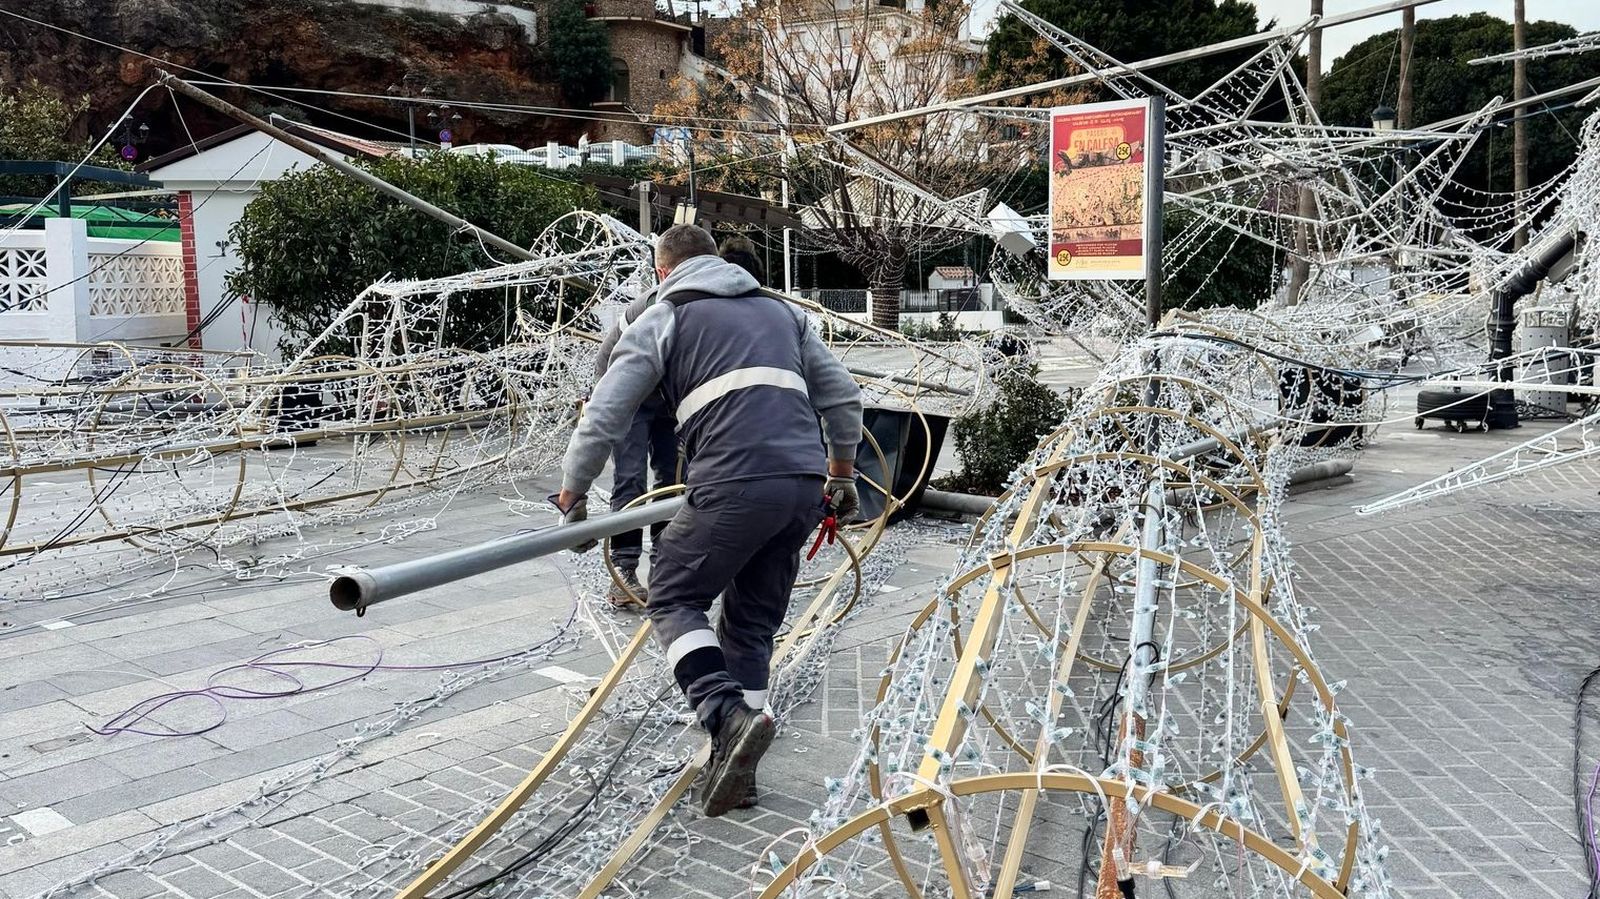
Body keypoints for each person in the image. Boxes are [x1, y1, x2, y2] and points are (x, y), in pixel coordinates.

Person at [555, 223, 863, 817]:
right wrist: (842, 474)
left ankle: (722, 711)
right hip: (801, 487)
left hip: (730, 480)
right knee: (750, 627)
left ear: (663, 271)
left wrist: (571, 494)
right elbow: (843, 396)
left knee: (671, 595)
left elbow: (604, 416)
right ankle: (738, 774)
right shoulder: (784, 315)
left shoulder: (662, 316)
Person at [592, 289, 679, 608]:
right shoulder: (651, 307)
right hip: (630, 398)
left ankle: (664, 562)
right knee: (630, 479)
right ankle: (624, 569)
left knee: (672, 479)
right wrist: (606, 407)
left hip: (669, 401)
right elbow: (606, 361)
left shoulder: (707, 307)